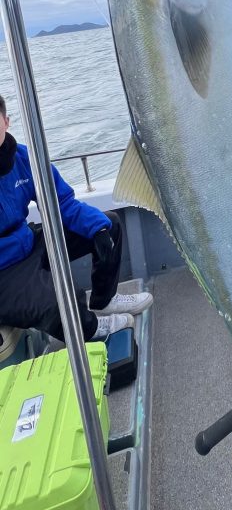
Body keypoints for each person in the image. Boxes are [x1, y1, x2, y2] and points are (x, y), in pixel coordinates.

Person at [0, 95, 152, 342]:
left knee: (109, 225)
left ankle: (104, 299)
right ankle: (91, 328)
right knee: (58, 302)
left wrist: (97, 229)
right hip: (4, 270)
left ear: (6, 122)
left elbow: (62, 202)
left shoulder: (23, 158)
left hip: (28, 243)